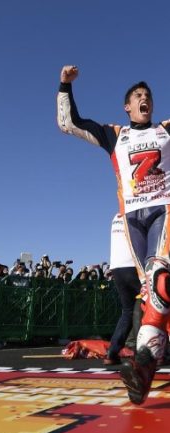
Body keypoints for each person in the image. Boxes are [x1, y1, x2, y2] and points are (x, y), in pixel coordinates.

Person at [57, 64, 170, 404]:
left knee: (160, 277)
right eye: (138, 96)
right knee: (151, 291)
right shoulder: (115, 135)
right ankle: (145, 369)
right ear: (127, 106)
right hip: (133, 218)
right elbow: (68, 123)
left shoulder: (165, 130)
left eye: (148, 95)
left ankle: (145, 362)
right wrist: (65, 86)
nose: (145, 98)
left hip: (164, 209)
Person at [104, 213, 142, 366]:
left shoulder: (116, 217)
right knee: (152, 305)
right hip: (134, 265)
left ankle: (112, 352)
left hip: (117, 266)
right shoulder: (137, 212)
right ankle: (147, 352)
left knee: (128, 311)